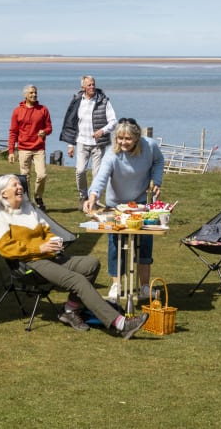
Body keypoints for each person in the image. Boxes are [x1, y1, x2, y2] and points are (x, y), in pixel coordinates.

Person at [0, 175, 149, 338]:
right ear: (3, 194)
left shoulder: (29, 209)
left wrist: (53, 241)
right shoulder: (0, 216)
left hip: (48, 257)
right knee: (78, 281)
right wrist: (39, 247)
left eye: (19, 184)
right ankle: (121, 323)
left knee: (91, 264)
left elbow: (46, 232)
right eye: (14, 185)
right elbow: (5, 249)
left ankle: (70, 310)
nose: (20, 187)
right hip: (29, 264)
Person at [82, 118, 164, 302]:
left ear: (137, 138)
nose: (123, 142)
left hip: (140, 204)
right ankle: (116, 285)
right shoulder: (112, 153)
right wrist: (93, 196)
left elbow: (159, 161)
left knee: (145, 244)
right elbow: (101, 178)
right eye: (120, 138)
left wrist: (156, 181)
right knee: (115, 245)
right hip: (116, 205)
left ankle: (144, 287)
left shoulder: (149, 146)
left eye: (127, 138)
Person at [60, 75, 117, 202]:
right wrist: (70, 145)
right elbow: (71, 123)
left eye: (93, 84)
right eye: (89, 85)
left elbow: (113, 121)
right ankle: (83, 196)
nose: (92, 87)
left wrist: (102, 131)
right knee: (80, 171)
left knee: (97, 174)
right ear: (83, 87)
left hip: (98, 144)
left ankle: (94, 200)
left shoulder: (104, 101)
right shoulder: (77, 101)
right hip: (81, 141)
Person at [7, 84, 52, 208]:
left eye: (35, 92)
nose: (34, 95)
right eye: (31, 93)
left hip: (39, 148)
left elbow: (49, 128)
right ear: (25, 95)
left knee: (42, 175)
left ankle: (38, 197)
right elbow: (13, 132)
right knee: (25, 177)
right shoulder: (17, 111)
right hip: (23, 148)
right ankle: (27, 201)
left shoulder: (43, 109)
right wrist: (11, 151)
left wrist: (45, 132)